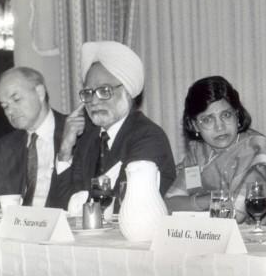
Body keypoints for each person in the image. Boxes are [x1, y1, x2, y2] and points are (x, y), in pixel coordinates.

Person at [165, 76, 266, 226]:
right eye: (208, 119)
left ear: (237, 115)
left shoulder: (256, 149)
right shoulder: (199, 154)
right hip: (212, 237)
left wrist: (194, 205)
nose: (220, 127)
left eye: (226, 115)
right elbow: (169, 204)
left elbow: (234, 214)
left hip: (262, 240)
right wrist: (207, 200)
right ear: (194, 125)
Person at [56, 41, 176, 209]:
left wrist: (79, 201)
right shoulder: (87, 139)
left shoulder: (148, 137)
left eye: (104, 91)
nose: (94, 101)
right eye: (88, 93)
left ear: (127, 92)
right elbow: (60, 204)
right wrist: (65, 150)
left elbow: (123, 206)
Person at [0, 67, 67, 207]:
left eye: (16, 99)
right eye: (5, 106)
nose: (10, 111)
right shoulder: (6, 146)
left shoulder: (77, 133)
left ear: (40, 93)